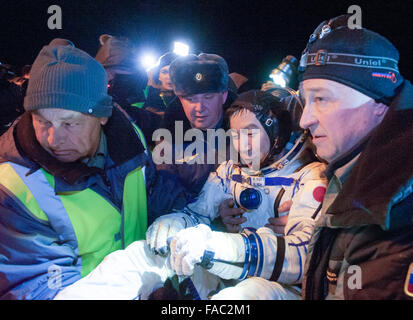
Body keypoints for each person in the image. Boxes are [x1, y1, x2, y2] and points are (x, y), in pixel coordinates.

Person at [54, 89, 327, 300]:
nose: (241, 144)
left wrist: (216, 247)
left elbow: (302, 258)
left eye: (251, 133)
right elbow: (198, 212)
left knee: (248, 294)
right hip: (226, 267)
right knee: (144, 255)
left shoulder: (309, 177)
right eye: (234, 134)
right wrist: (175, 223)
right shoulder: (229, 170)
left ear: (276, 133)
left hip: (279, 286)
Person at [0, 39, 190, 299]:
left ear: (102, 116)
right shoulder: (13, 186)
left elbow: (153, 190)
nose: (54, 139)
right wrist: (133, 280)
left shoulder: (128, 138)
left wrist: (178, 216)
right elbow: (34, 288)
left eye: (71, 123)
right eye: (42, 120)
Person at [297, 15, 413, 299]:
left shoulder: (393, 214)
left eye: (321, 99)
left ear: (377, 103)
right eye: (305, 100)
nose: (304, 119)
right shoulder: (352, 171)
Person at [154, 53, 237, 196]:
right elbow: (166, 199)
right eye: (191, 99)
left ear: (223, 96)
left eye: (208, 97)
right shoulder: (168, 141)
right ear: (180, 99)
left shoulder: (245, 132)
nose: (199, 107)